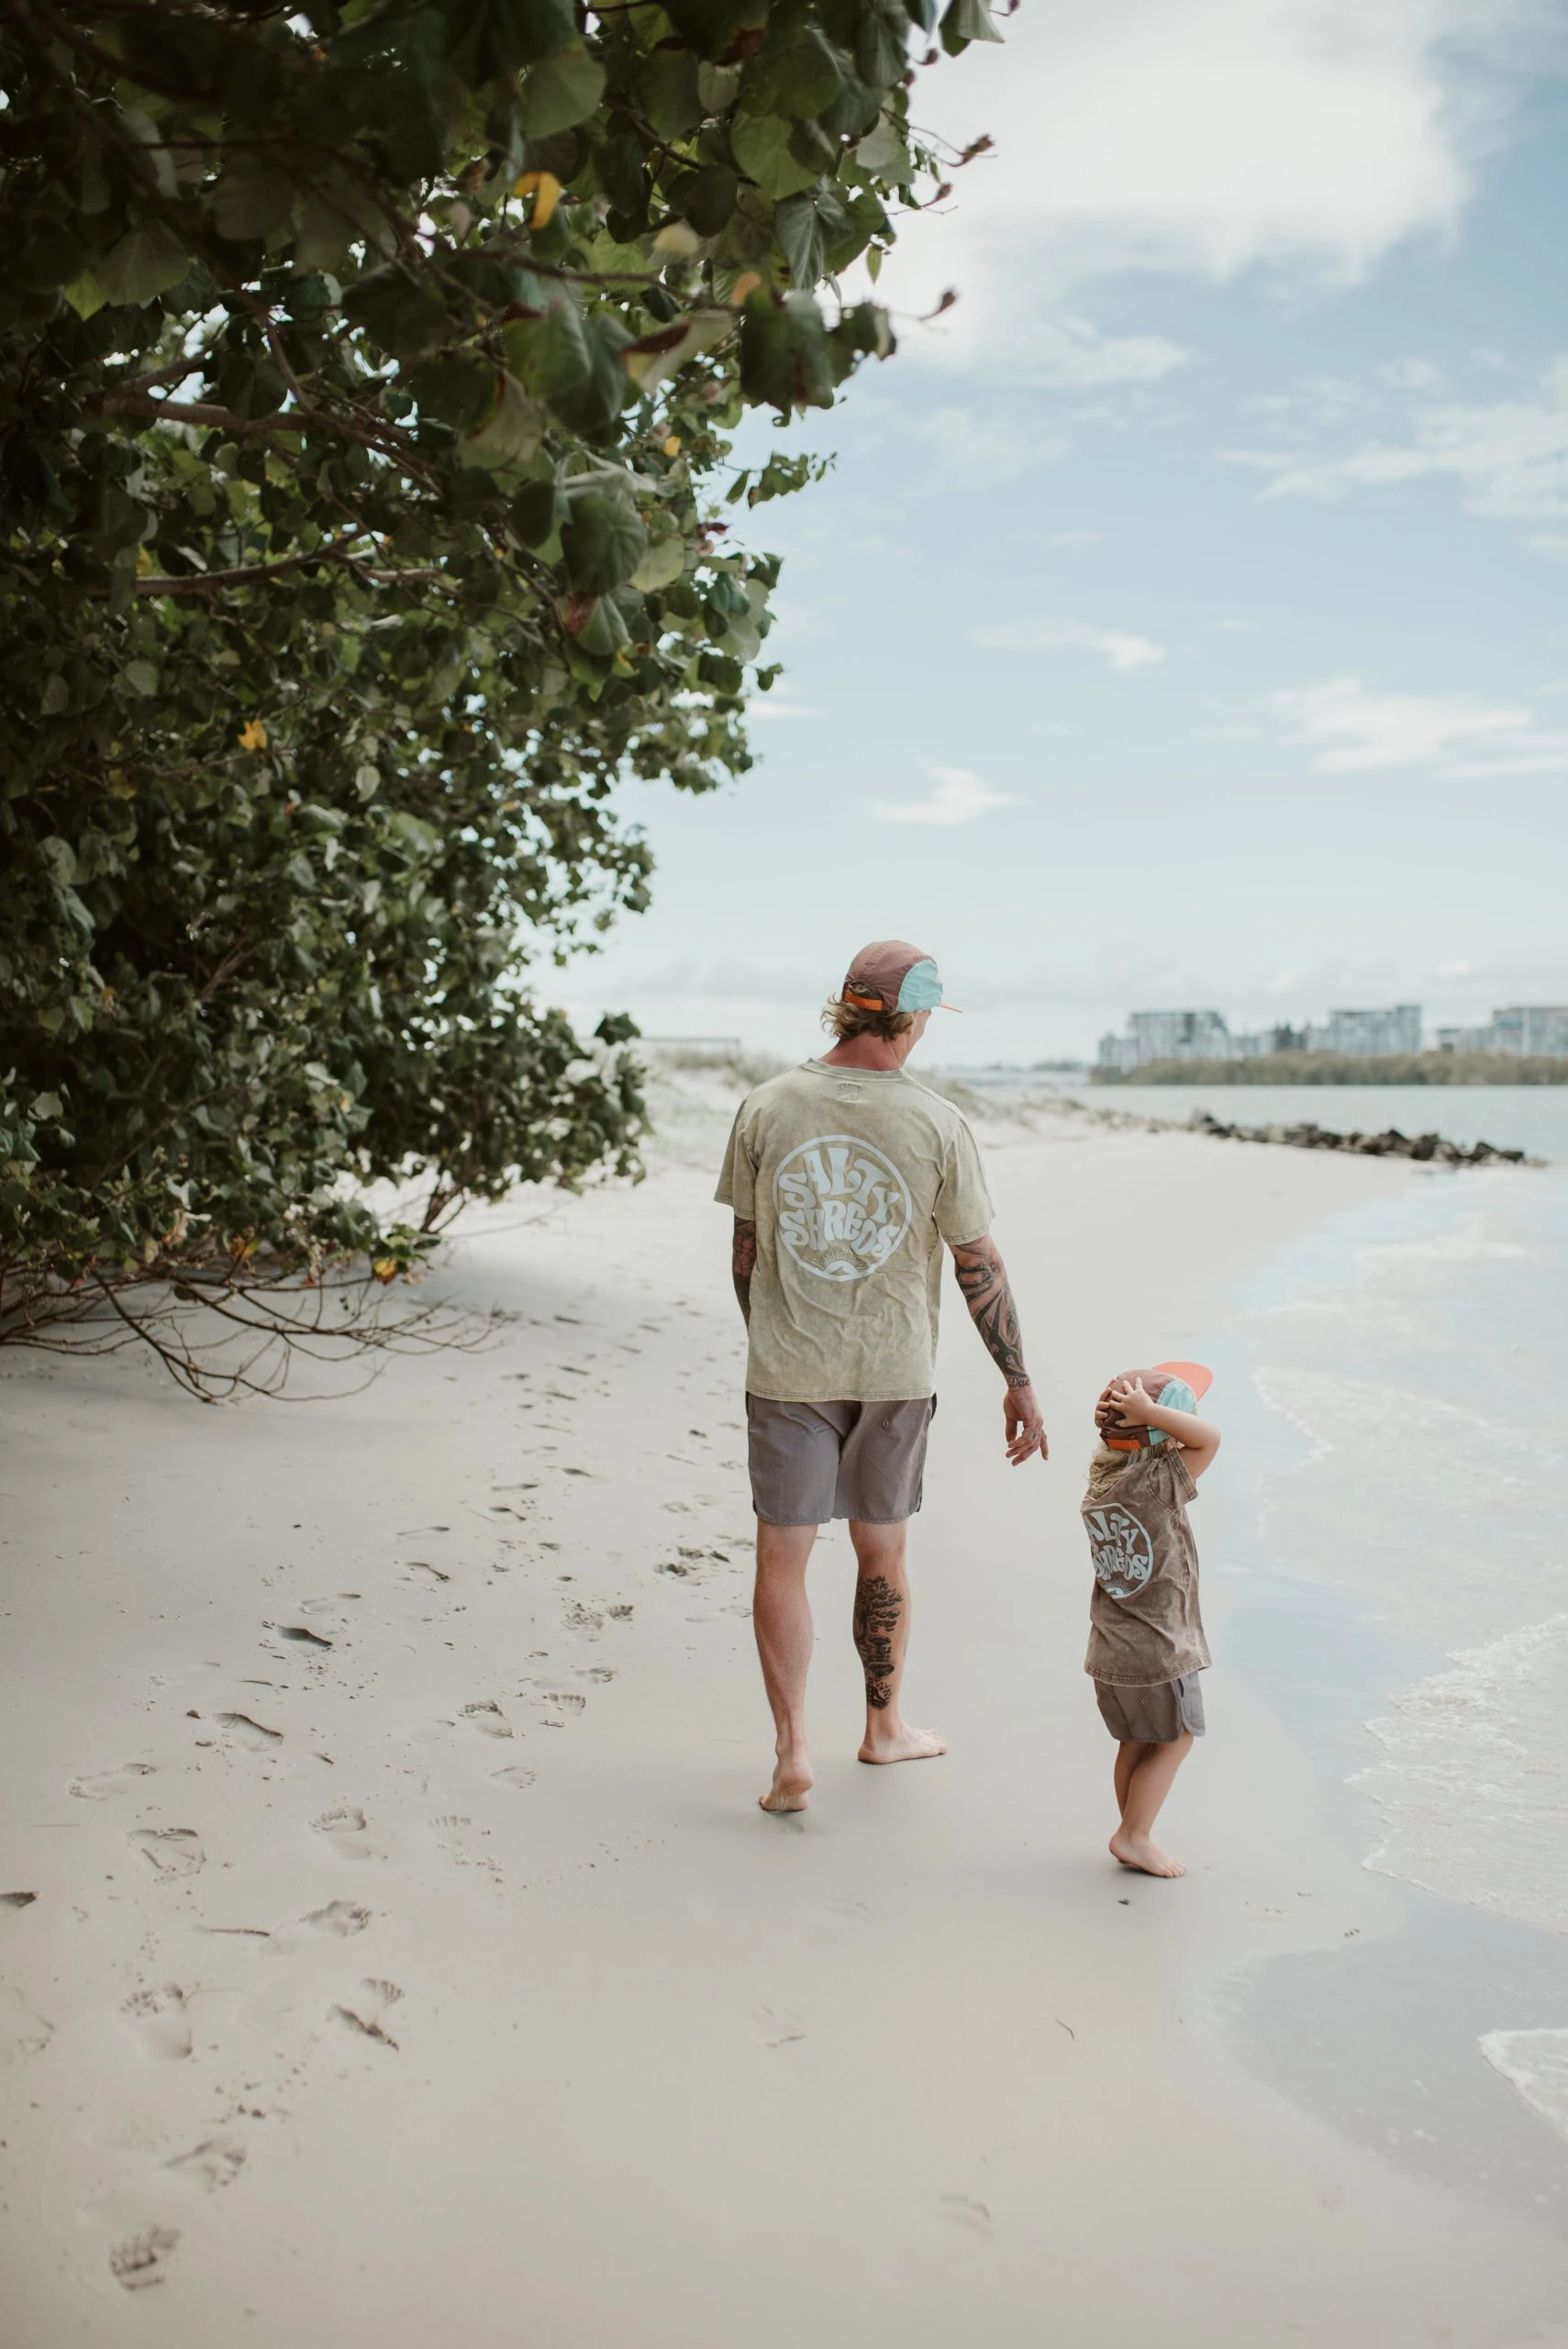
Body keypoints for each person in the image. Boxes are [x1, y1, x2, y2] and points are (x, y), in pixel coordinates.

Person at [716, 940, 1048, 1815]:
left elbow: (745, 1254)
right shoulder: (937, 1122)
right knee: (882, 1550)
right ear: (917, 1016)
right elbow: (978, 1262)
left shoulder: (765, 1106)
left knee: (780, 1558)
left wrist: (777, 1343)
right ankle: (882, 1729)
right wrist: (1017, 1380)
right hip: (895, 1370)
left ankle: (791, 1751)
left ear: (845, 1004)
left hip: (789, 1370)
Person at [1082, 1363, 1220, 1878]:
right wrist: (1151, 1412)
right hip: (1159, 1649)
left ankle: (1133, 1831)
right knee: (1176, 1738)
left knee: (1136, 1742)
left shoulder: (1103, 1478)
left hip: (1111, 1646)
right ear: (1167, 1434)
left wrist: (1137, 1417)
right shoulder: (1160, 1481)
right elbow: (1210, 1440)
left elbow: (1179, 1437)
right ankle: (1134, 1834)